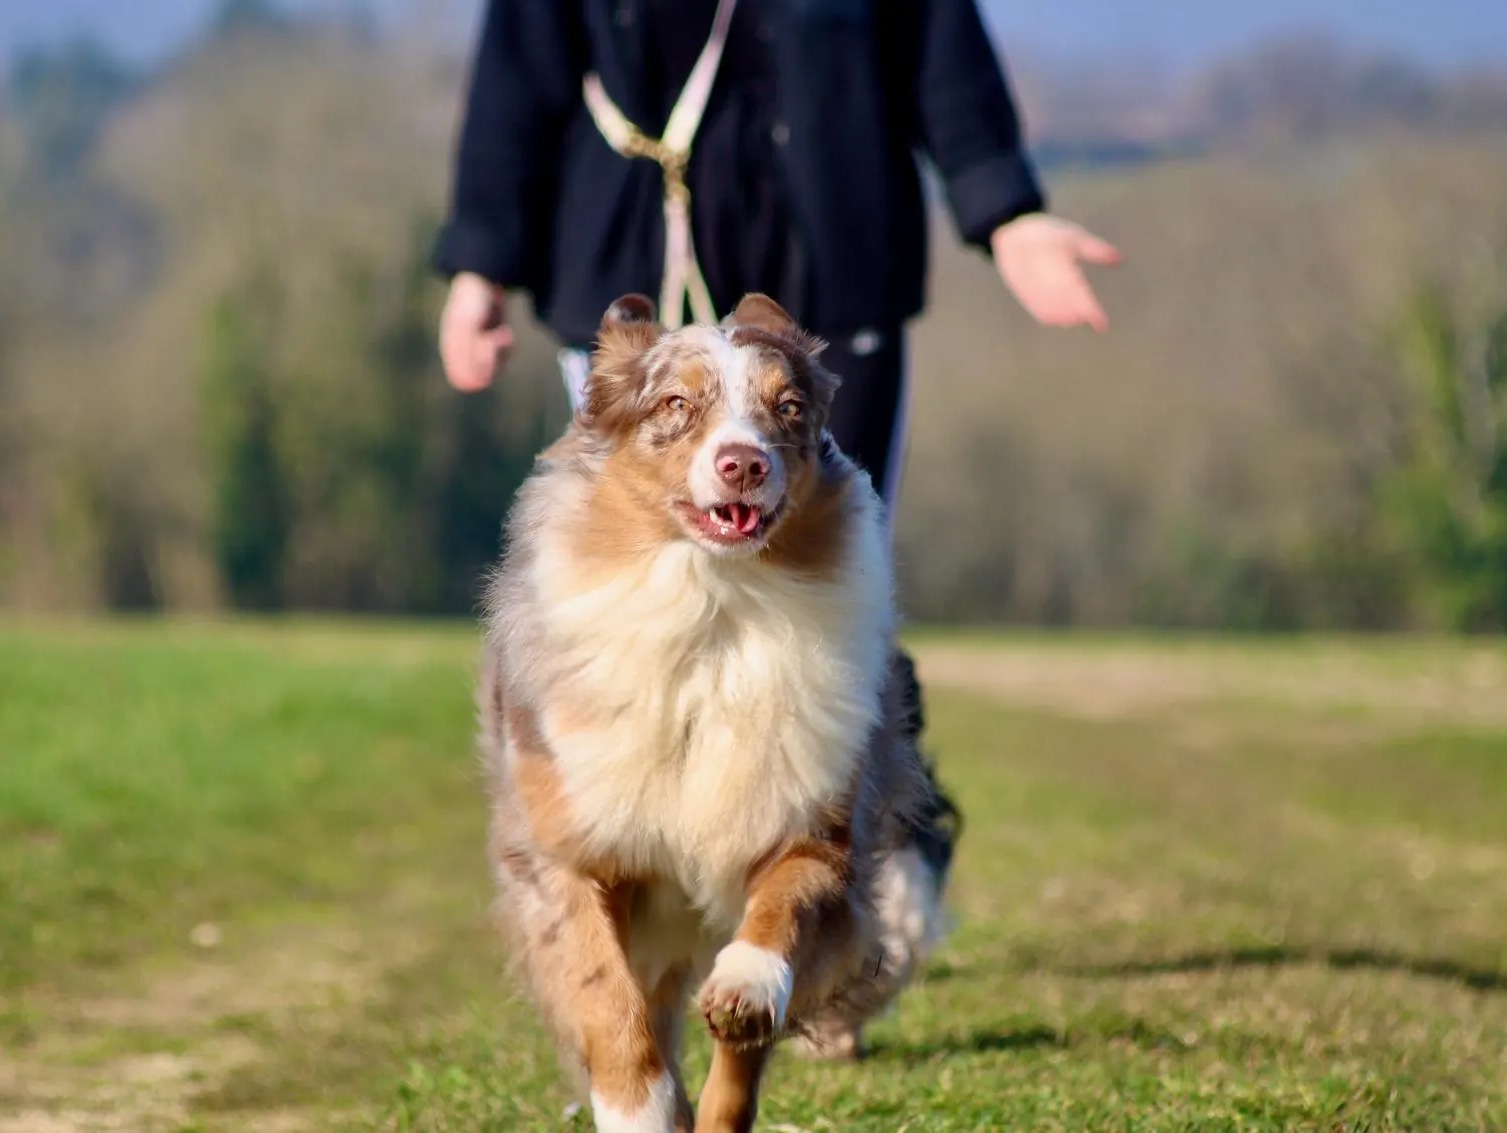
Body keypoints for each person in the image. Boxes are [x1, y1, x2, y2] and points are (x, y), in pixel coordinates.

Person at [431, 0, 1119, 891]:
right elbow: (519, 74)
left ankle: (867, 873)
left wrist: (1007, 213)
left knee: (835, 585)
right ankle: (667, 858)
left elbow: (936, 44)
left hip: (834, 284)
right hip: (632, 289)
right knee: (649, 592)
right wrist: (481, 265)